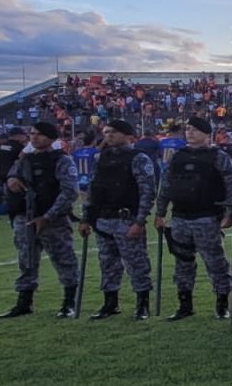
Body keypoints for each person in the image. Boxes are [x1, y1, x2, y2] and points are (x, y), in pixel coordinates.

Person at [0, 122, 82, 319]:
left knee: (64, 260)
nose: (34, 138)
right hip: (24, 217)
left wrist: (48, 216)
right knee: (26, 261)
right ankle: (24, 302)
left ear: (51, 138)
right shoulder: (25, 159)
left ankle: (69, 302)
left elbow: (69, 192)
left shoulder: (62, 160)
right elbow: (10, 178)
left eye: (40, 135)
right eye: (32, 134)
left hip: (52, 219)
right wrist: (11, 182)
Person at [154, 117, 232, 321]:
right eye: (188, 129)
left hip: (207, 217)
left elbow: (231, 185)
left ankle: (222, 304)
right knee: (182, 263)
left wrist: (229, 213)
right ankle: (185, 304)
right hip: (180, 216)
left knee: (215, 263)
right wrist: (160, 212)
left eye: (194, 129)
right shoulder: (177, 156)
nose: (189, 133)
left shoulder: (218, 156)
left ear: (206, 134)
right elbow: (166, 185)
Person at [81, 120, 157, 321]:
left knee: (136, 263)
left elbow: (147, 192)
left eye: (114, 132)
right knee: (107, 263)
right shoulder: (100, 158)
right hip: (103, 219)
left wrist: (139, 221)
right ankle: (110, 303)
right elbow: (92, 189)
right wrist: (86, 218)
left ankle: (142, 305)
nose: (109, 135)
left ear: (127, 135)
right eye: (106, 132)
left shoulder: (138, 158)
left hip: (127, 218)